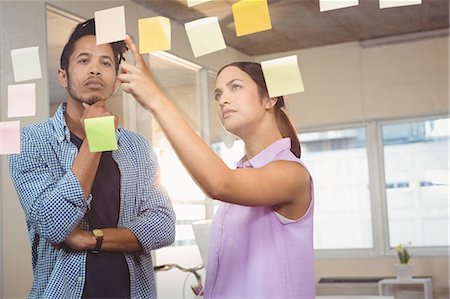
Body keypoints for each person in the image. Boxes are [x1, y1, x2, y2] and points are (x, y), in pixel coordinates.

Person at [119, 35, 315, 298]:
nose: (222, 100)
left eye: (235, 87)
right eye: (219, 93)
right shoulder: (245, 174)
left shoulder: (292, 173)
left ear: (269, 99)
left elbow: (219, 184)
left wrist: (157, 100)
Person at [8, 19, 175, 299]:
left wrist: (90, 239)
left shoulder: (138, 147)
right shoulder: (29, 142)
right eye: (84, 60)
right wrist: (96, 139)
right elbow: (54, 224)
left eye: (106, 63)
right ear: (63, 76)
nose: (95, 69)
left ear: (116, 80)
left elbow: (163, 226)